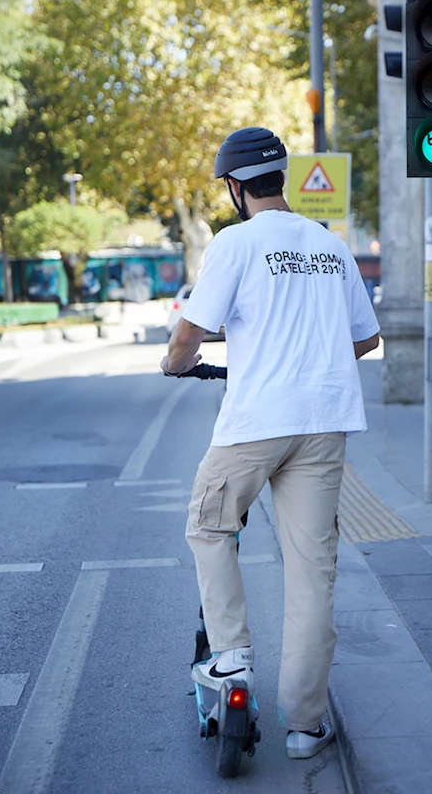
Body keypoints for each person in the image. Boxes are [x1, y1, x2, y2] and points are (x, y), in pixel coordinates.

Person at [160, 126, 379, 760]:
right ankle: (307, 725)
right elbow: (364, 339)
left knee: (209, 524)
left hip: (257, 423)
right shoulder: (329, 246)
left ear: (234, 188)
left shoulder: (236, 243)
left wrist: (178, 363)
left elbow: (188, 335)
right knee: (313, 571)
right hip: (325, 423)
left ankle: (230, 659)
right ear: (282, 180)